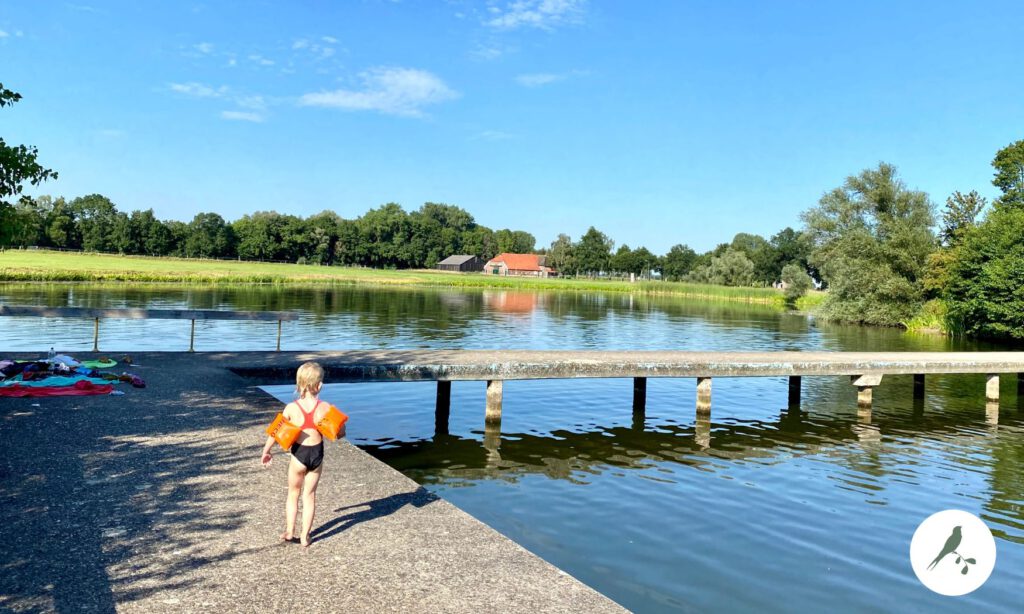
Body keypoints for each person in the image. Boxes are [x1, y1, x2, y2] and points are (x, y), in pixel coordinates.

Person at [260, 361, 343, 547]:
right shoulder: (325, 407)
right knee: (310, 495)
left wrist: (267, 451)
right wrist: (339, 422)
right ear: (319, 385)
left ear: (299, 384)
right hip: (317, 455)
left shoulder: (291, 408)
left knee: (293, 493)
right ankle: (305, 536)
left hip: (299, 455)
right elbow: (339, 434)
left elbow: (276, 432)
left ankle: (290, 531)